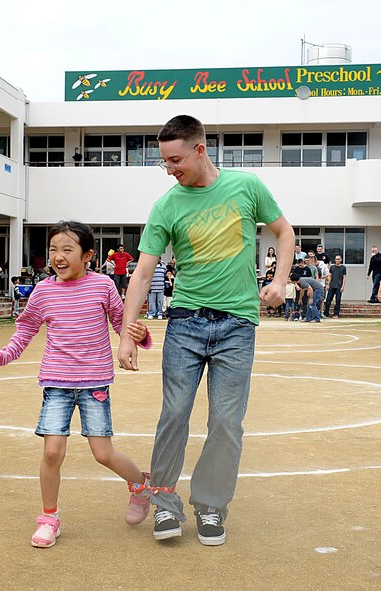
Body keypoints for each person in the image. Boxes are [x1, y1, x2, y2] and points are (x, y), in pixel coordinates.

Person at [116, 114, 294, 546]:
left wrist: (280, 279)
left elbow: (284, 232)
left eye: (175, 160)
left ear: (200, 149)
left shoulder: (246, 187)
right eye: (164, 162)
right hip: (186, 323)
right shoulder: (167, 205)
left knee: (227, 421)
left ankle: (211, 506)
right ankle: (163, 502)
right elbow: (142, 274)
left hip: (236, 324)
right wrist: (125, 333)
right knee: (174, 414)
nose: (170, 169)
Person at [0, 221, 153, 548]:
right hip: (56, 383)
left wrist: (140, 337)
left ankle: (141, 486)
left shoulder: (102, 286)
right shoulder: (43, 291)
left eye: (67, 250)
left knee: (102, 454)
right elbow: (25, 331)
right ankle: (49, 518)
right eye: (53, 250)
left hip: (95, 383)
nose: (58, 257)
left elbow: (122, 323)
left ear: (88, 255)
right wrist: (3, 355)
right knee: (52, 452)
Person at [324, 254, 346, 318]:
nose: (337, 260)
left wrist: (343, 286)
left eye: (338, 259)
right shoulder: (332, 267)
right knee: (328, 300)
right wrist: (328, 284)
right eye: (336, 259)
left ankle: (336, 314)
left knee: (338, 300)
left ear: (341, 260)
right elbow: (330, 276)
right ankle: (326, 313)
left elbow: (344, 277)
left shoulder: (343, 268)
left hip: (339, 286)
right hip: (332, 285)